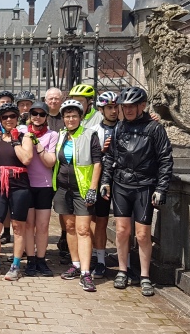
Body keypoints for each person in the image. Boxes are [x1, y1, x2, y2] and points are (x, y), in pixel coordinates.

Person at [100, 87, 173, 297]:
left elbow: (165, 159)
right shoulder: (119, 128)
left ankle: (144, 275)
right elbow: (110, 157)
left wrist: (161, 187)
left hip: (144, 185)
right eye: (125, 107)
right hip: (122, 184)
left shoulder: (154, 128)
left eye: (132, 106)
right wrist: (106, 181)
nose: (128, 110)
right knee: (122, 231)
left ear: (142, 106)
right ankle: (122, 270)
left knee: (142, 235)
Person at [54, 99, 102, 292]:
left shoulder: (90, 135)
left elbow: (97, 163)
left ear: (81, 117)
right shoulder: (61, 136)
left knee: (83, 229)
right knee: (70, 227)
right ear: (63, 119)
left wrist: (92, 188)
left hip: (82, 189)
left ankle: (86, 272)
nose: (70, 119)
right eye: (67, 116)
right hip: (63, 189)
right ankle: (75, 264)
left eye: (74, 115)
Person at [0, 103, 33, 281]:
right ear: (0, 120)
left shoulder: (24, 137)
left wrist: (14, 140)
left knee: (18, 227)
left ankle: (15, 265)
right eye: (4, 117)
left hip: (19, 185)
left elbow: (26, 159)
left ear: (17, 118)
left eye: (12, 116)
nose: (8, 120)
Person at [17, 101, 58, 277]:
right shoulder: (21, 132)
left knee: (42, 225)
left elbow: (50, 162)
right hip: (25, 184)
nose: (38, 117)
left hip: (44, 186)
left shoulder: (52, 135)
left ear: (47, 117)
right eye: (35, 113)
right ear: (30, 115)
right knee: (28, 225)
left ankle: (41, 260)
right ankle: (31, 260)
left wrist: (38, 145)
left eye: (42, 114)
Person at [89, 91, 119, 278]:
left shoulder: (126, 128)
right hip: (102, 180)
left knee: (125, 224)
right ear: (101, 109)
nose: (114, 111)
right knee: (100, 221)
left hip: (123, 180)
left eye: (116, 107)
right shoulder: (95, 132)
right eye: (110, 107)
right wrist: (101, 150)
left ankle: (127, 262)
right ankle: (99, 259)